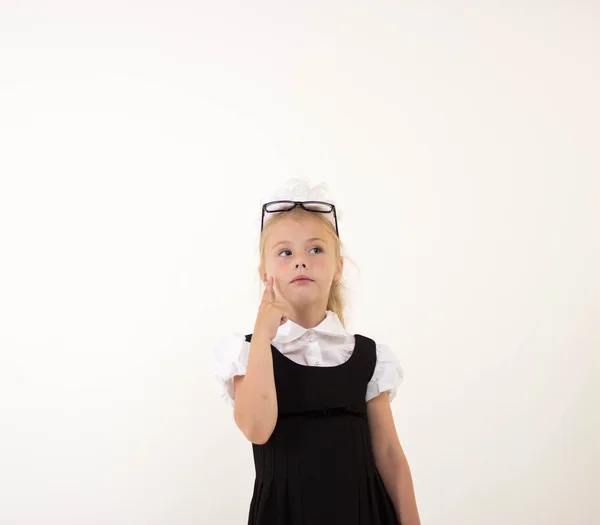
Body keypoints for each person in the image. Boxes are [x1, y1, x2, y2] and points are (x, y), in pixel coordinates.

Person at [212, 179, 421, 524]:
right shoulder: (247, 353)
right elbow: (256, 428)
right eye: (285, 253)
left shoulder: (368, 357)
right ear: (265, 274)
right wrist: (263, 334)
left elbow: (388, 454)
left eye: (315, 250)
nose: (300, 262)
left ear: (338, 267)